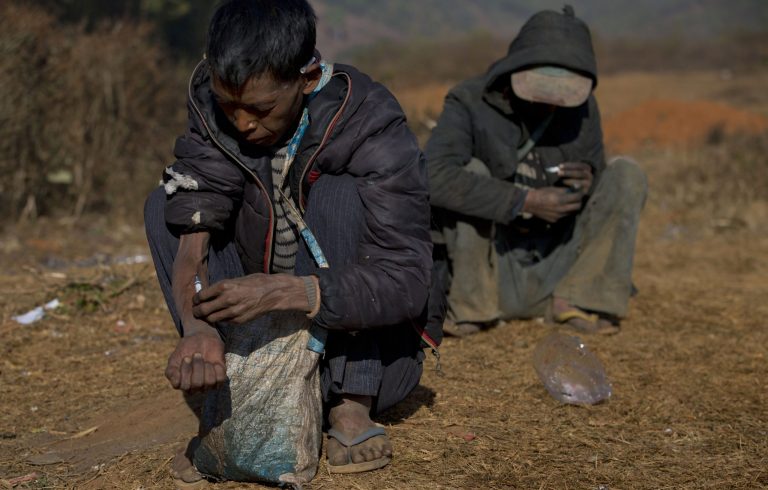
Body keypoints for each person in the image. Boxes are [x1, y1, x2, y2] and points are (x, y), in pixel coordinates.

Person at [144, 0, 440, 483]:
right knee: (167, 203)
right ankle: (235, 397)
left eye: (260, 109)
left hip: (368, 359)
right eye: (228, 105)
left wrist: (284, 291)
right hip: (264, 342)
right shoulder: (214, 107)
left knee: (341, 195)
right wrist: (196, 325)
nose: (242, 123)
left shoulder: (370, 120)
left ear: (306, 77)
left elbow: (406, 278)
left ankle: (350, 406)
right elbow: (194, 226)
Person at [426, 5, 647, 337]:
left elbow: (602, 195)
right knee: (470, 169)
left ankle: (579, 299)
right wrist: (523, 201)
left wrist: (589, 182)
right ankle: (474, 309)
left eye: (563, 95)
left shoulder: (585, 109)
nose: (552, 103)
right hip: (491, 263)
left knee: (626, 174)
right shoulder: (468, 100)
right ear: (514, 69)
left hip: (557, 263)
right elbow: (432, 175)